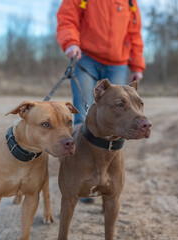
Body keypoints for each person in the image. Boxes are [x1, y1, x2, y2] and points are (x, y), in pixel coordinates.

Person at [56, 0, 145, 203]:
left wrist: (137, 64)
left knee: (118, 118)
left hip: (118, 62)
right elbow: (67, 18)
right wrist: (70, 42)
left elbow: (134, 33)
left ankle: (108, 179)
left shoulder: (130, 2)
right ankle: (80, 176)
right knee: (84, 110)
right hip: (86, 56)